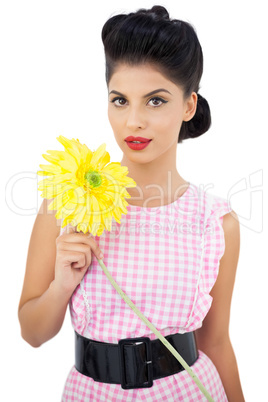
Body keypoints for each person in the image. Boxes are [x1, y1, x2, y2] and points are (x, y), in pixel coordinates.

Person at [18, 5, 245, 401]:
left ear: (188, 106)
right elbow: (32, 333)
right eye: (120, 100)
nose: (133, 121)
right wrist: (62, 285)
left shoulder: (215, 221)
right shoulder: (67, 204)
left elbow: (217, 341)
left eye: (155, 101)